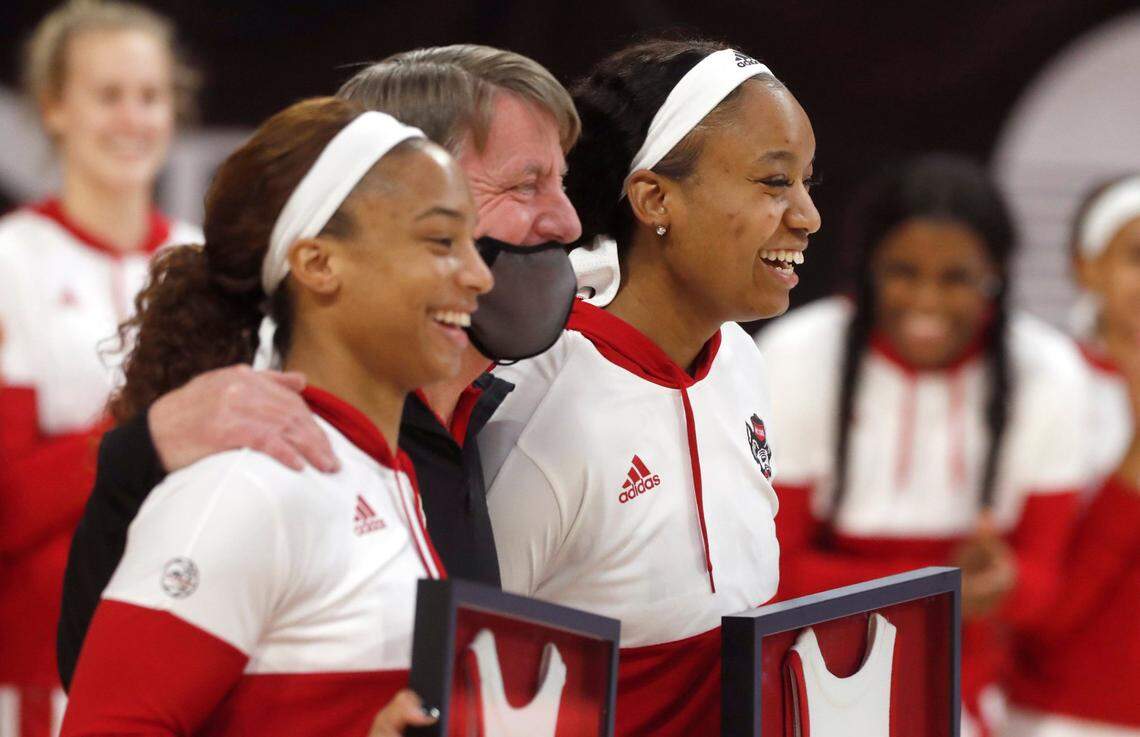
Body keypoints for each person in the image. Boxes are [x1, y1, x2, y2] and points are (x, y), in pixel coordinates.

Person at [56, 44, 582, 687]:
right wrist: (135, 463)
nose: (570, 221)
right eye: (526, 184)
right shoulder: (268, 445)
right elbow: (113, 698)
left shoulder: (493, 415)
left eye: (562, 182)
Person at [480, 39, 821, 736]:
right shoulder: (542, 402)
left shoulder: (739, 359)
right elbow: (473, 677)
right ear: (655, 197)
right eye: (774, 182)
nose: (808, 215)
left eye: (808, 181)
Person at [755, 155, 1089, 737]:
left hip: (973, 681)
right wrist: (941, 584)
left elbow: (1043, 591)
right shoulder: (798, 354)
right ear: (868, 270)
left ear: (997, 277)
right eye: (903, 272)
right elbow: (770, 576)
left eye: (956, 278)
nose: (926, 300)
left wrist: (1005, 585)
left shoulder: (1050, 371)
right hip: (809, 665)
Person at [0, 2, 199, 733]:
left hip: (184, 644)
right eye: (107, 95)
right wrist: (154, 426)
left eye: (149, 97)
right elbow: (10, 503)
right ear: (53, 108)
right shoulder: (10, 262)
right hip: (33, 671)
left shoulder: (208, 260)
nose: (132, 119)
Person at [1003, 175, 1140, 737]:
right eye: (1136, 255)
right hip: (1061, 716)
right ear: (1086, 267)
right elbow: (1044, 608)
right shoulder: (1052, 388)